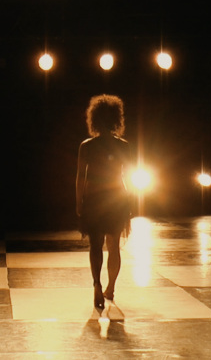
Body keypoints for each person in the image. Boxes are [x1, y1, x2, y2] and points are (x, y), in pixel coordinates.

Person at [76, 94, 132, 310]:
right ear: (116, 119)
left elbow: (80, 177)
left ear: (94, 119)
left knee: (95, 246)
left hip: (94, 198)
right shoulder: (124, 146)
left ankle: (97, 285)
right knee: (114, 246)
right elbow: (127, 176)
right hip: (117, 198)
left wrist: (79, 202)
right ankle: (111, 287)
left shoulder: (87, 146)